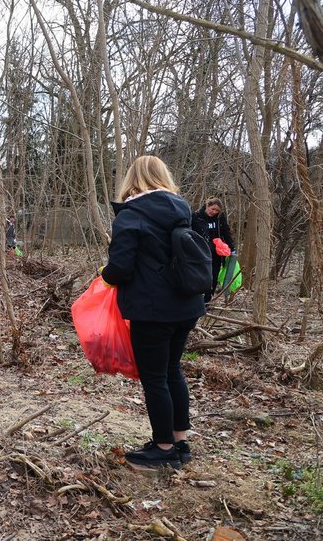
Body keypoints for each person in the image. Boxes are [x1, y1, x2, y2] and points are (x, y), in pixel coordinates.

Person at [101, 155, 206, 469]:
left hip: (153, 309)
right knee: (173, 371)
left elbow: (120, 267)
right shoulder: (182, 209)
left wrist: (103, 276)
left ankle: (162, 448)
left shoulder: (132, 215)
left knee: (155, 378)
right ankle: (179, 441)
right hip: (186, 306)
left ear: (133, 179)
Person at [191, 197, 235, 301]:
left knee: (213, 276)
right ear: (207, 206)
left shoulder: (220, 218)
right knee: (201, 275)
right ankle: (196, 299)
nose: (214, 212)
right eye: (213, 209)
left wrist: (232, 248)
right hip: (200, 252)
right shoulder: (196, 217)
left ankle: (208, 300)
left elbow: (226, 233)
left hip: (216, 253)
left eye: (217, 211)